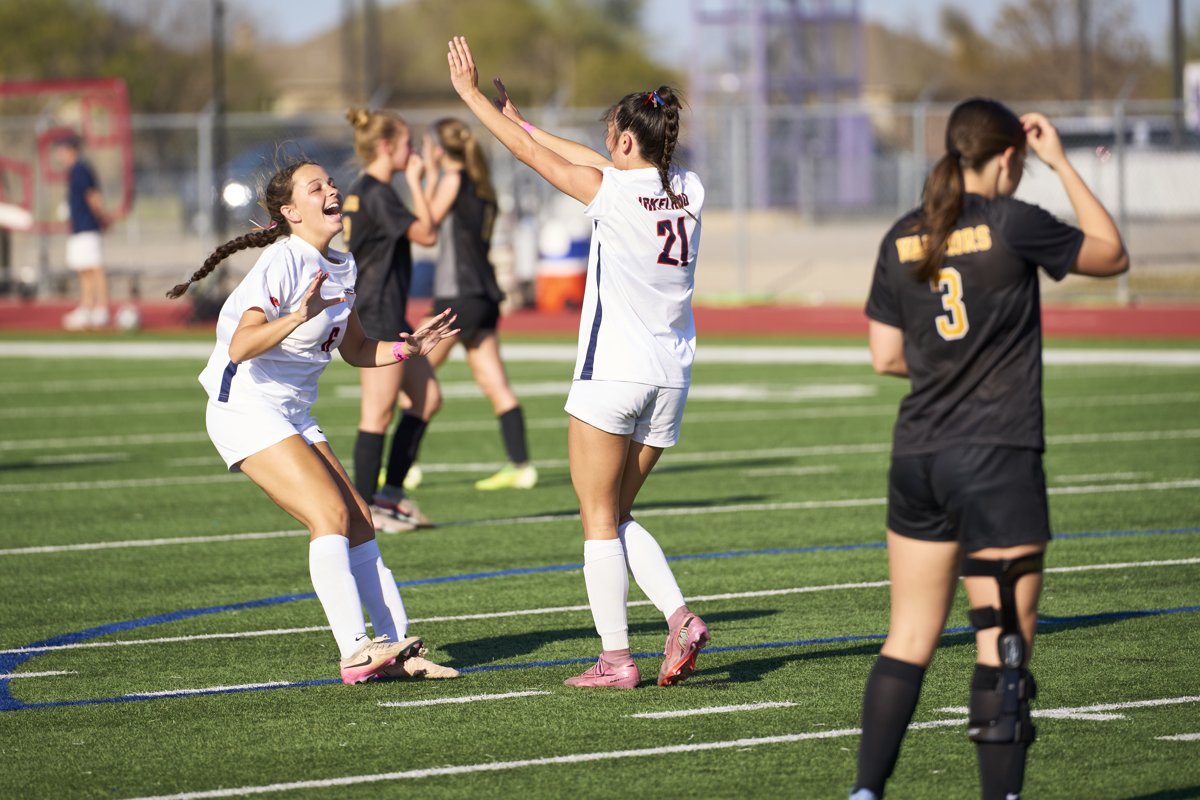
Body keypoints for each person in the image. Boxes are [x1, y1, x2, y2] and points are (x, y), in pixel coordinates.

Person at [851, 99, 1128, 800]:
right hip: (996, 457)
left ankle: (865, 793)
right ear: (1008, 157)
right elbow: (1112, 253)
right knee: (1002, 646)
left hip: (916, 457)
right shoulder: (1011, 221)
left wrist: (948, 363)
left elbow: (885, 356)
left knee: (908, 637)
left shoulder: (904, 234)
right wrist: (1062, 161)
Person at [448, 36, 709, 689]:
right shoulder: (689, 189)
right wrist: (523, 120)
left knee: (597, 522)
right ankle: (679, 617)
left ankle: (617, 660)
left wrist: (475, 100)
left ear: (626, 143)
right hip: (670, 378)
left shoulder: (614, 195)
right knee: (617, 515)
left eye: (612, 136)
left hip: (613, 374)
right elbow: (589, 159)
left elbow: (535, 159)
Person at [165, 158, 462, 684]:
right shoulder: (284, 261)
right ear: (291, 212)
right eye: (315, 186)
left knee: (361, 522)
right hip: (245, 405)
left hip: (291, 411)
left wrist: (407, 348)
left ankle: (398, 649)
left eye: (330, 182)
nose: (331, 190)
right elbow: (241, 345)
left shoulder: (341, 265)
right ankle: (355, 651)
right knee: (328, 514)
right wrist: (295, 317)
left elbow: (358, 348)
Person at [417, 117, 537, 491]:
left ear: (438, 149)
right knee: (493, 381)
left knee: (412, 373)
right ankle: (521, 466)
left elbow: (426, 228)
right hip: (483, 295)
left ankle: (405, 466)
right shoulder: (482, 185)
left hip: (458, 296)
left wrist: (427, 176)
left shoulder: (452, 180)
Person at [342, 108, 441, 532]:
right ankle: (367, 509)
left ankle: (390, 494)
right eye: (407, 143)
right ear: (386, 147)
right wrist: (418, 183)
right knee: (377, 413)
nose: (413, 149)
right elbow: (428, 233)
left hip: (388, 309)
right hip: (376, 312)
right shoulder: (377, 192)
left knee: (426, 399)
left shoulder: (371, 189)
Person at [55, 133, 112, 331]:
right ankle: (87, 308)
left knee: (95, 268)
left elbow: (93, 196)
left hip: (88, 225)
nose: (59, 155)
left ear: (70, 150)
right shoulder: (74, 170)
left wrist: (102, 217)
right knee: (83, 269)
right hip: (78, 227)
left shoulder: (81, 168)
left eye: (62, 150)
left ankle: (102, 309)